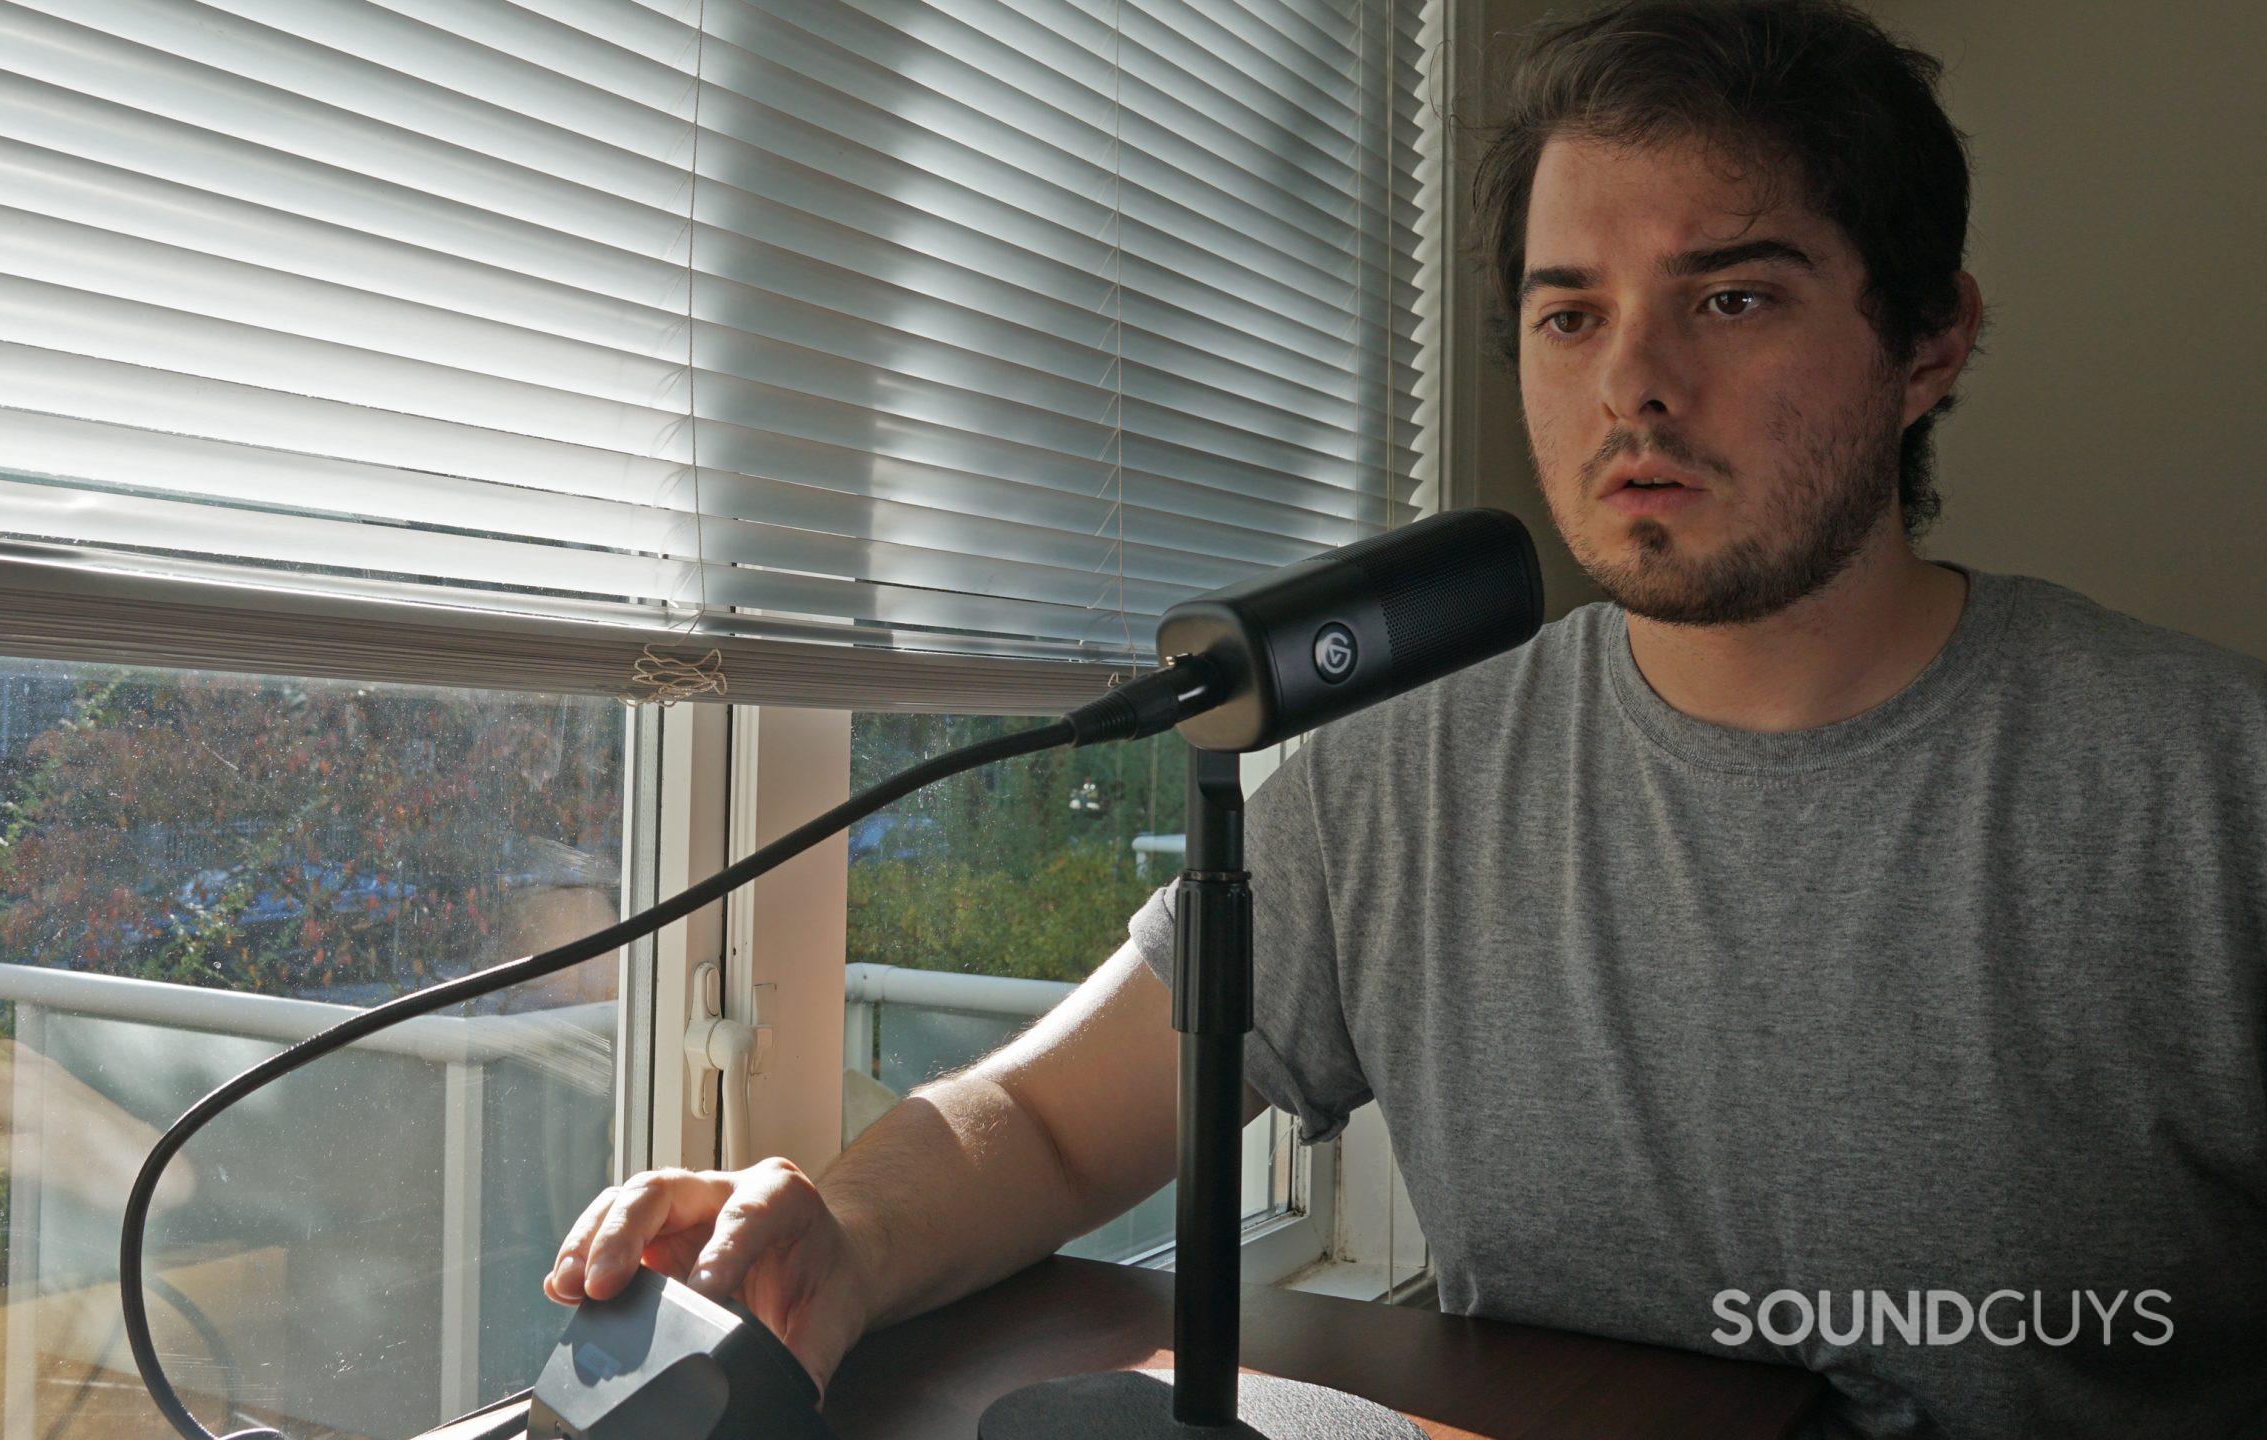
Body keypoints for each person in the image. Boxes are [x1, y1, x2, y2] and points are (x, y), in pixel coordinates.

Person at [545, 2, 2267, 1435]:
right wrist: (834, 1232)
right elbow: (1053, 1120)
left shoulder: (2204, 795)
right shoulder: (1410, 786)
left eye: (1734, 299)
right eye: (1568, 311)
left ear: (1930, 343)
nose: (1633, 383)